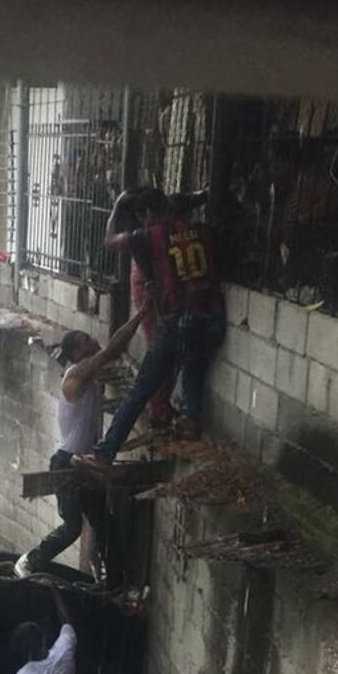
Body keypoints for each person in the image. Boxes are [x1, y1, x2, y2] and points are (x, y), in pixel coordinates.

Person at [73, 186, 224, 470]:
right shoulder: (203, 230)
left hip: (180, 320)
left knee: (141, 388)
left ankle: (105, 453)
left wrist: (117, 204)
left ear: (147, 214)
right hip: (213, 317)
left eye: (141, 217)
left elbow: (109, 240)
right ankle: (191, 421)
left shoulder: (151, 235)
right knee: (193, 363)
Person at [13, 301, 149, 581]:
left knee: (103, 523)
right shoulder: (76, 374)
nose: (94, 341)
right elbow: (113, 349)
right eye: (87, 341)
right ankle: (29, 561)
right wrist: (144, 311)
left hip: (84, 462)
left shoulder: (85, 375)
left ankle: (113, 582)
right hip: (66, 462)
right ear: (77, 352)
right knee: (73, 526)